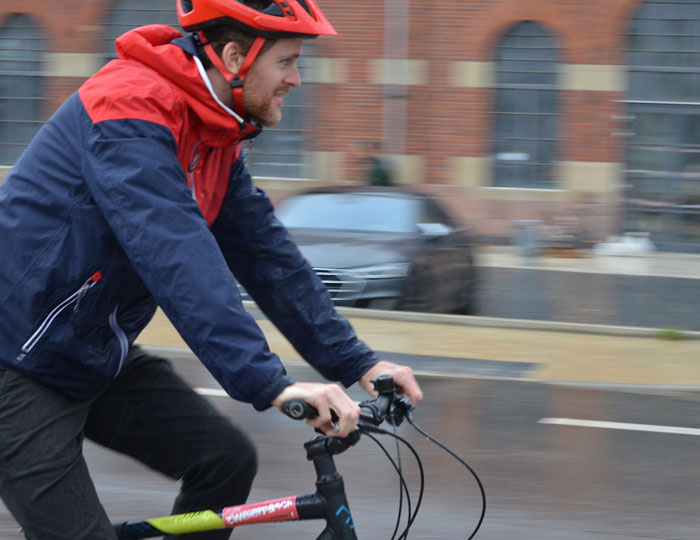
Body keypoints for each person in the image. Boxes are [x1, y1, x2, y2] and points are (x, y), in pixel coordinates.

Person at [0, 1, 423, 538]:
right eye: (287, 62)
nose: (297, 79)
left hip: (87, 352)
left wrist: (356, 362)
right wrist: (270, 384)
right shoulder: (129, 109)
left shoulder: (215, 134)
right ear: (233, 57)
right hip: (15, 360)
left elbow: (268, 256)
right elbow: (177, 256)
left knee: (225, 460)